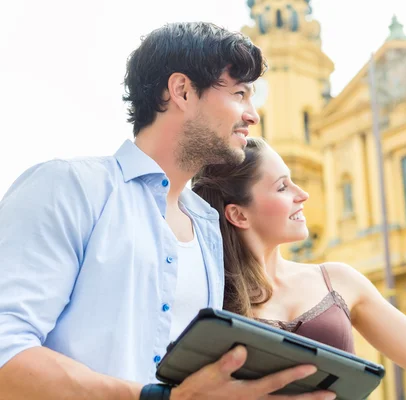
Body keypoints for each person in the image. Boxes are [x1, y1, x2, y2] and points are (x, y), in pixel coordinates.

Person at [0, 23, 336, 400]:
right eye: (240, 94)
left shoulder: (209, 229)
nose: (252, 115)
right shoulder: (70, 187)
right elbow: (5, 350)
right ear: (182, 91)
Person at [193, 137, 406, 386]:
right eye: (282, 187)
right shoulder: (207, 296)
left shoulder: (339, 280)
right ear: (238, 213)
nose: (302, 193)